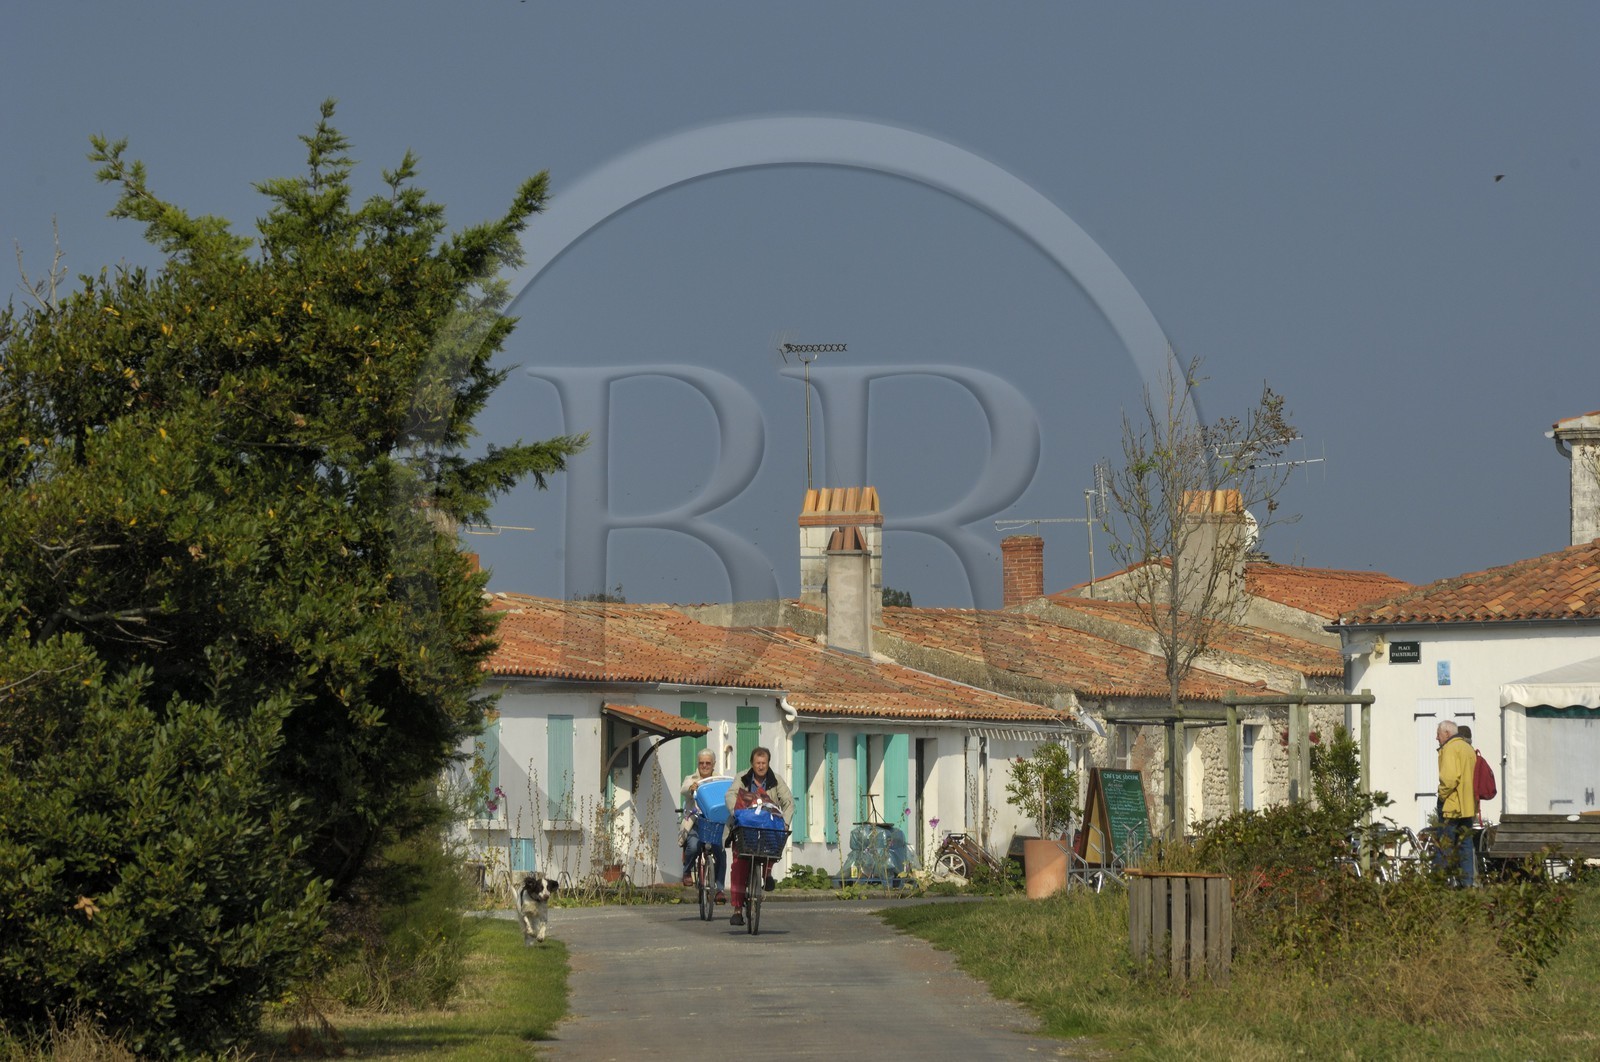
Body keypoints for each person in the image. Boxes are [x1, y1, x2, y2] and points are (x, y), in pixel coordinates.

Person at [724, 746, 794, 926]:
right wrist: (737, 812)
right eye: (758, 763)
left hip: (766, 828)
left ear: (768, 763)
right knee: (739, 865)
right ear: (752, 764)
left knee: (773, 845)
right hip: (744, 828)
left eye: (764, 763)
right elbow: (731, 795)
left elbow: (788, 802)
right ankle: (738, 909)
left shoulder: (776, 780)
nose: (761, 766)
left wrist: (785, 822)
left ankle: (767, 873)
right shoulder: (742, 778)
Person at [1435, 720, 1478, 886]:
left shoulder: (1451, 748)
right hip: (1467, 806)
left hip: (1452, 804)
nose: (1436, 737)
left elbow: (1449, 779)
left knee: (1444, 844)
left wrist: (1441, 795)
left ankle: (1439, 884)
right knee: (1465, 845)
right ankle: (1467, 884)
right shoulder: (1468, 748)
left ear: (1446, 733)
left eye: (1438, 734)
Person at [680, 749, 726, 902]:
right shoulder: (691, 778)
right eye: (701, 763)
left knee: (720, 853)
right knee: (693, 846)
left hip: (713, 824)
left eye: (708, 763)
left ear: (713, 764)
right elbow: (684, 790)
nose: (704, 766)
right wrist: (691, 788)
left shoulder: (719, 779)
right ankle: (686, 872)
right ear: (698, 764)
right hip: (696, 822)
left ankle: (719, 889)